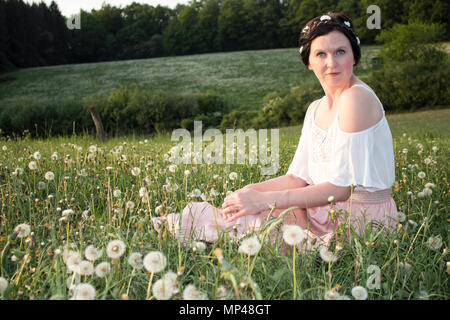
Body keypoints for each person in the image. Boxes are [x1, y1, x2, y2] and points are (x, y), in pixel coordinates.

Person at [153, 12, 398, 249]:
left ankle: (199, 232)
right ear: (309, 63)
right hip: (319, 209)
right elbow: (297, 179)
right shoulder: (315, 108)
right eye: (321, 54)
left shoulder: (356, 98)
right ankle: (198, 229)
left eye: (340, 52)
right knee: (254, 214)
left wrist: (262, 200)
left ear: (354, 57)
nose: (331, 63)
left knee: (261, 219)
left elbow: (341, 190)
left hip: (359, 221)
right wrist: (250, 191)